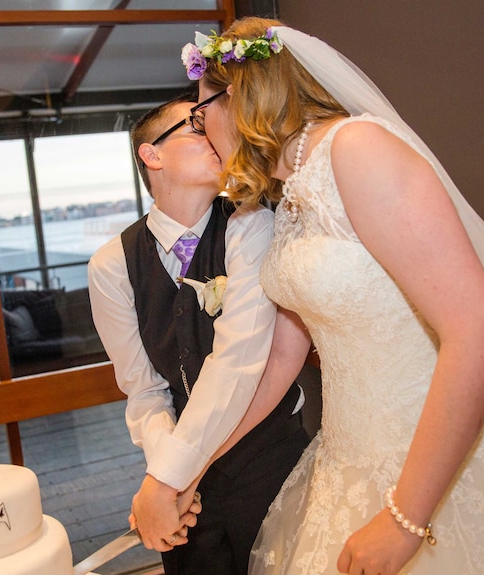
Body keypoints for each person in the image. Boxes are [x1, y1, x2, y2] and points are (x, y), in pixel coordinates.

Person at [178, 17, 484, 575]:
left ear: (241, 95)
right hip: (349, 458)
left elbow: (482, 332)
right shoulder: (287, 194)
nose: (200, 130)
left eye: (201, 112)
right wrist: (194, 466)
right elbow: (279, 361)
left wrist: (404, 519)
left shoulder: (357, 149)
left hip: (437, 464)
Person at [87, 93, 309, 575]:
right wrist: (166, 474)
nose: (213, 136)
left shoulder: (252, 225)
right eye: (194, 126)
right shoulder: (111, 265)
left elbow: (239, 362)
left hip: (271, 460)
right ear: (152, 154)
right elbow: (144, 389)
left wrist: (168, 479)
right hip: (182, 482)